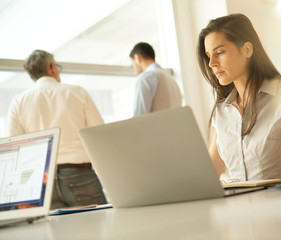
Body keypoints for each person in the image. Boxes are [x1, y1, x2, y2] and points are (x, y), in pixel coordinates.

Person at [197, 13, 281, 181]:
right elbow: (209, 176)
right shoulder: (222, 111)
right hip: (238, 205)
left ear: (247, 50)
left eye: (220, 52)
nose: (211, 64)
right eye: (209, 56)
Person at [7, 50, 107, 209]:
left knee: (55, 233)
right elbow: (99, 134)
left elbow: (16, 146)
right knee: (100, 230)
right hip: (79, 173)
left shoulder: (18, 102)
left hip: (41, 180)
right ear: (52, 67)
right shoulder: (77, 92)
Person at [129, 42, 182, 116]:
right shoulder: (172, 80)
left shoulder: (145, 78)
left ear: (137, 58)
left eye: (132, 65)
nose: (134, 69)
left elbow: (139, 117)